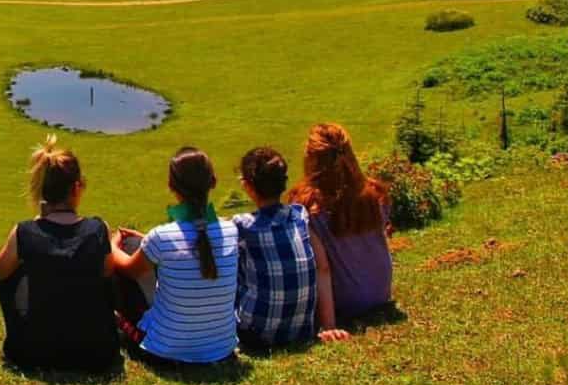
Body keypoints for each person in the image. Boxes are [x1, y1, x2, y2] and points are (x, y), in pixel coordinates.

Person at [0, 135, 119, 372]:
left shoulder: (25, 232)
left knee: (9, 263)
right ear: (76, 188)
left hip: (32, 352)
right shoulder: (98, 230)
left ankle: (20, 328)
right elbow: (107, 274)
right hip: (96, 351)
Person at [112, 146, 239, 365]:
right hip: (222, 349)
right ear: (213, 182)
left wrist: (112, 243)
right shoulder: (232, 230)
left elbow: (127, 268)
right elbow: (195, 242)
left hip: (164, 350)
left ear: (172, 186)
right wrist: (146, 240)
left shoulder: (161, 237)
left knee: (125, 255)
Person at [233, 146, 347, 349]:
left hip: (254, 333)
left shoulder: (242, 225)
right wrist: (329, 325)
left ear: (248, 186)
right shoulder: (299, 216)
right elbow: (323, 267)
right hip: (301, 330)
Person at [288, 123, 393, 331]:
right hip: (381, 292)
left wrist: (328, 325)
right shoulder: (375, 194)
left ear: (311, 160)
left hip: (345, 301)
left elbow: (322, 267)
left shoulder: (307, 206)